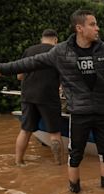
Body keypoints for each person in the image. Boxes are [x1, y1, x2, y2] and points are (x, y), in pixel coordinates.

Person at [0, 9, 104, 193]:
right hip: (79, 113)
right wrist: (1, 69)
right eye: (93, 24)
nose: (97, 28)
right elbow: (30, 63)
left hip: (102, 111)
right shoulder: (60, 51)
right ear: (79, 28)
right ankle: (74, 193)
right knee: (75, 154)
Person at [14, 29, 63, 166]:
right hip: (49, 97)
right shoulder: (58, 53)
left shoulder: (29, 51)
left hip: (28, 95)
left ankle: (18, 163)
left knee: (25, 131)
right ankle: (59, 165)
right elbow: (64, 79)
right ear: (55, 40)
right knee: (54, 133)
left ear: (42, 38)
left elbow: (19, 76)